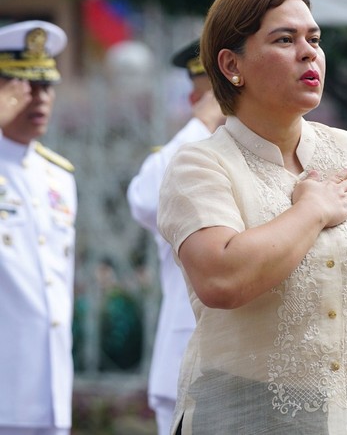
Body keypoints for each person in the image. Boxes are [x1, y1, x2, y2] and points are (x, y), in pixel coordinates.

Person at [156, 0, 347, 435]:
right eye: (284, 39)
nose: (308, 52)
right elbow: (222, 279)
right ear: (232, 64)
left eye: (314, 39)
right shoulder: (201, 164)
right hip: (241, 418)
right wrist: (311, 211)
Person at [127, 39, 225, 435]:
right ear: (196, 96)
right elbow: (146, 199)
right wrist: (202, 124)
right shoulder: (176, 155)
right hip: (191, 364)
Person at [0, 20, 76, 435]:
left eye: (45, 86)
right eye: (21, 84)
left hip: (49, 387)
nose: (37, 97)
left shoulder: (58, 177)